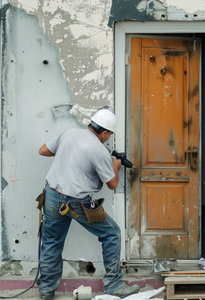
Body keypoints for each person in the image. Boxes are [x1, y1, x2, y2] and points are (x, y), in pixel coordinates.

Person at [38, 109, 140, 299]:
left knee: (51, 242)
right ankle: (114, 284)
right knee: (111, 233)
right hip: (77, 203)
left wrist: (69, 155)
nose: (108, 138)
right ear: (104, 132)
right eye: (109, 134)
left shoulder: (69, 134)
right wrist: (115, 166)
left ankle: (46, 291)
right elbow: (112, 184)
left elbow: (43, 150)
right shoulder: (99, 150)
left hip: (52, 196)